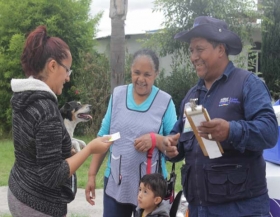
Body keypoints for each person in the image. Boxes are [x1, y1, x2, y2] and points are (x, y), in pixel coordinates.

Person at [166, 16, 279, 217]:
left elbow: (270, 132)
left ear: (220, 49)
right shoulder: (192, 95)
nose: (193, 57)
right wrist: (172, 146)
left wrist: (230, 131)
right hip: (198, 209)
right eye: (191, 50)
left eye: (199, 49)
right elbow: (180, 138)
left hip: (241, 210)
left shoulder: (248, 84)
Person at [8, 25, 113, 217]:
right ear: (52, 65)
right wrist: (89, 149)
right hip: (38, 204)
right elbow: (52, 175)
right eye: (67, 70)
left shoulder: (24, 98)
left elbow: (33, 149)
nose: (67, 77)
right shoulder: (46, 109)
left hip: (18, 191)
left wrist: (67, 150)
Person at [85, 49, 179, 217]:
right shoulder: (118, 95)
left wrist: (156, 140)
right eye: (136, 73)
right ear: (130, 70)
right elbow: (105, 138)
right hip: (116, 183)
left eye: (147, 74)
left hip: (151, 190)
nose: (141, 79)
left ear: (156, 74)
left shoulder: (165, 102)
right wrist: (92, 175)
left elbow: (174, 143)